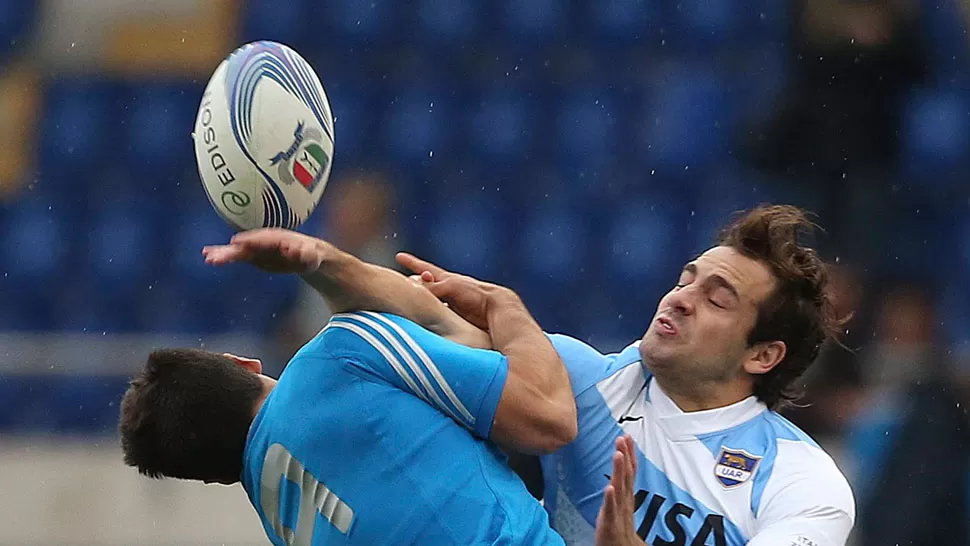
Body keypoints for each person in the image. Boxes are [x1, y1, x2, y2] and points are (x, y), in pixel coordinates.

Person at [390, 205, 856, 545]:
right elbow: (422, 325)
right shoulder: (583, 380)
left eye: (716, 300)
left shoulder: (803, 481)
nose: (680, 299)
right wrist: (327, 261)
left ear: (763, 355)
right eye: (684, 280)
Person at [118, 229, 578, 545]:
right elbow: (548, 417)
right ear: (241, 362)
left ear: (212, 476)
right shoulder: (340, 355)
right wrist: (506, 307)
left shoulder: (282, 525)